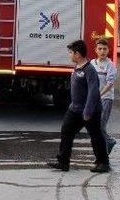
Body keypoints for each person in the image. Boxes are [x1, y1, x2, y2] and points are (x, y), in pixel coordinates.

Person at [48, 40, 110, 173]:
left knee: (96, 136)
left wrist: (88, 111)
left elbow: (93, 91)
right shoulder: (77, 67)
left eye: (71, 53)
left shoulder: (89, 70)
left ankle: (103, 163)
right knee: (66, 131)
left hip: (89, 110)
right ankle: (63, 162)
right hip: (75, 109)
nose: (69, 55)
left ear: (77, 54)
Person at [92, 38, 118, 155]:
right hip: (94, 99)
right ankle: (104, 146)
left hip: (106, 98)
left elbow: (110, 82)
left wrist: (100, 94)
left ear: (108, 50)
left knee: (101, 123)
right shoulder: (92, 64)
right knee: (95, 124)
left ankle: (108, 141)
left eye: (105, 49)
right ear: (96, 50)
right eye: (100, 49)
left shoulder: (110, 65)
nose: (102, 51)